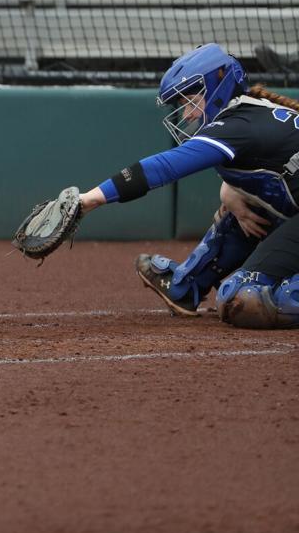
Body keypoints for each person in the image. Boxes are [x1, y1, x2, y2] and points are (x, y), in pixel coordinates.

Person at [69, 43, 299, 329]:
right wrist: (231, 190)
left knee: (241, 299)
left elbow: (166, 167)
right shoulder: (250, 115)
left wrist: (89, 199)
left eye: (191, 100)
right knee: (242, 204)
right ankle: (186, 284)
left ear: (219, 87)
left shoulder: (237, 125)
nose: (187, 114)